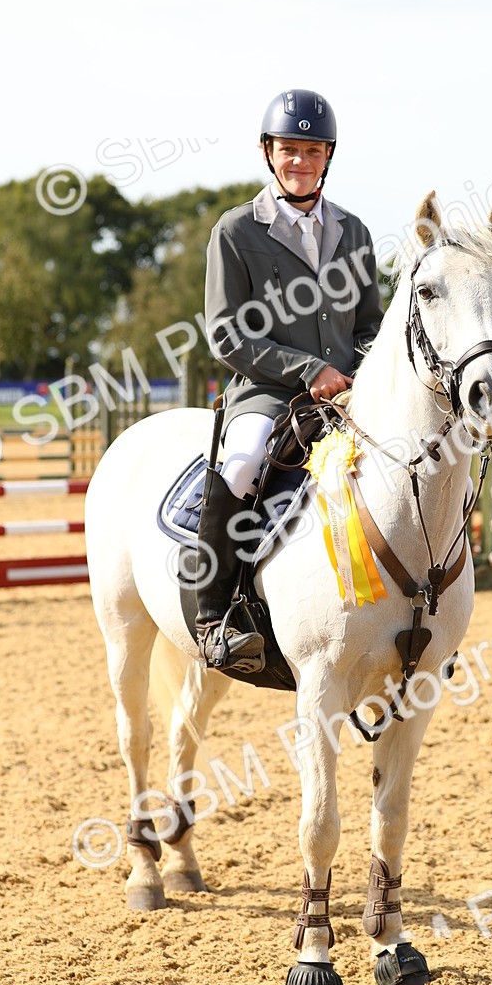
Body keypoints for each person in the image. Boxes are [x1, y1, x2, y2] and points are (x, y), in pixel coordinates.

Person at [197, 89, 384, 672]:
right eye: (287, 150)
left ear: (328, 155)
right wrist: (309, 370)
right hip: (269, 394)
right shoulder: (236, 231)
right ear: (267, 153)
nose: (298, 161)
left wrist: (365, 372)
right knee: (244, 462)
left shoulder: (354, 232)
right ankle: (214, 615)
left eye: (310, 150)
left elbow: (372, 324)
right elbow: (226, 332)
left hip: (348, 396)